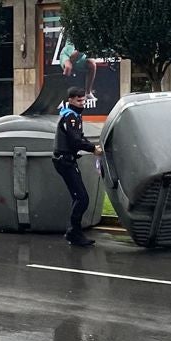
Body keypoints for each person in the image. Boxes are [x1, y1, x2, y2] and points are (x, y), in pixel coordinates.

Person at [53, 87, 103, 247]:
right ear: (71, 100)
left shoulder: (74, 116)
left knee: (79, 197)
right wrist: (92, 149)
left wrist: (91, 145)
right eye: (79, 100)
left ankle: (73, 232)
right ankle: (74, 233)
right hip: (64, 161)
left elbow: (79, 137)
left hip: (68, 160)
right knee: (82, 198)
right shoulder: (70, 117)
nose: (82, 103)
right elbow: (75, 141)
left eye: (83, 100)